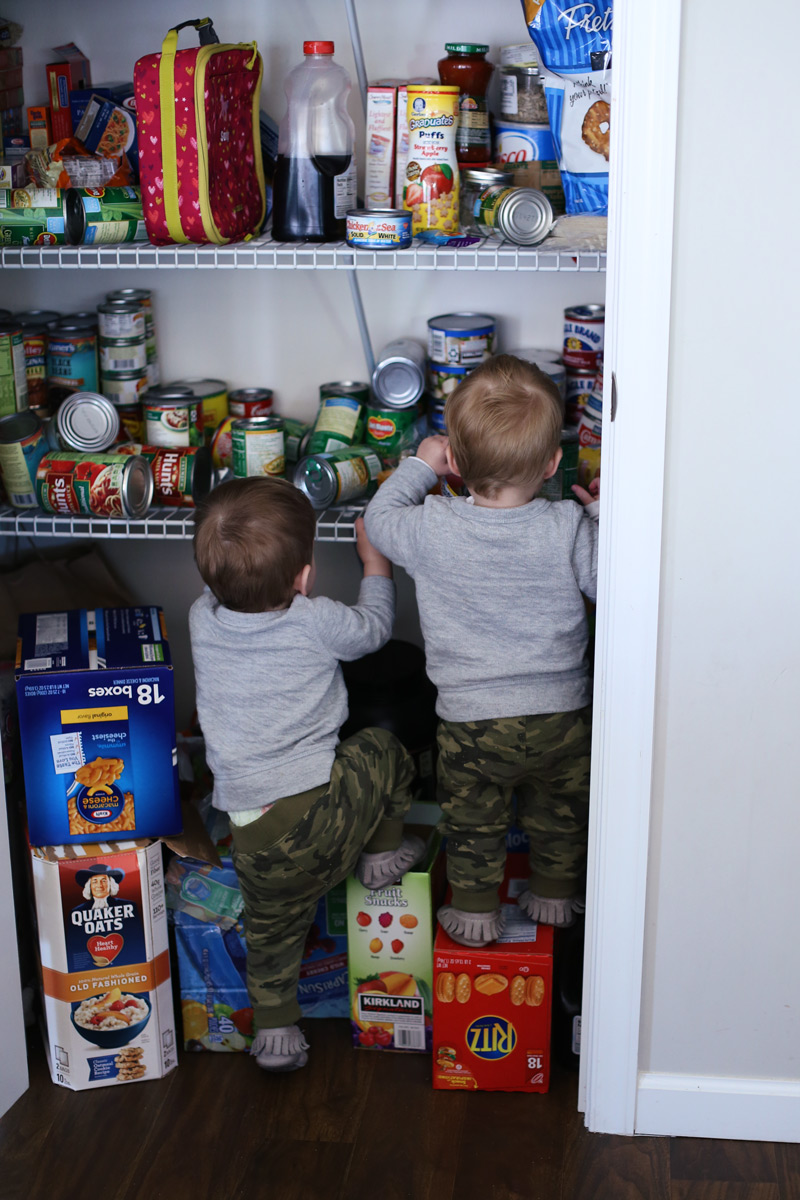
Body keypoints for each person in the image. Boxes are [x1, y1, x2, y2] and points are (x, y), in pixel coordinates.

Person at [364, 354, 599, 949]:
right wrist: (599, 513)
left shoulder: (432, 524)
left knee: (473, 819)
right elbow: (608, 581)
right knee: (561, 811)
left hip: (471, 721)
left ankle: (473, 908)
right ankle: (553, 891)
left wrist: (420, 466)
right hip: (561, 714)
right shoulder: (567, 523)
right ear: (551, 464)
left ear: (457, 464)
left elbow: (378, 521)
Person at [189, 476, 423, 1071]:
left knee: (272, 935)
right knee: (381, 748)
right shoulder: (314, 620)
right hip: (324, 819)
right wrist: (376, 565)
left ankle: (274, 1034)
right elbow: (372, 630)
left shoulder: (200, 618)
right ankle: (383, 854)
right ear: (305, 576)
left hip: (252, 836)